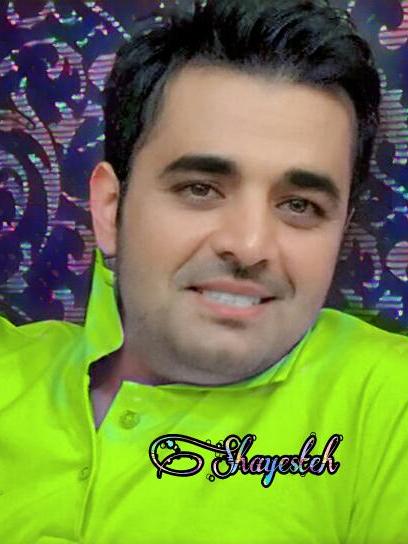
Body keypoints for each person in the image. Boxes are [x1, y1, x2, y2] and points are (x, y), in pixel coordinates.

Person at [1, 1, 408, 543]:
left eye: (300, 205)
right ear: (110, 210)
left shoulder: (390, 405)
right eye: (200, 189)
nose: (249, 245)